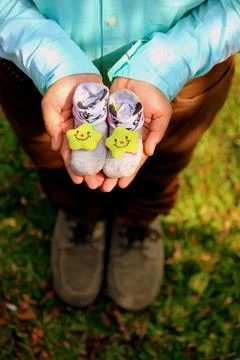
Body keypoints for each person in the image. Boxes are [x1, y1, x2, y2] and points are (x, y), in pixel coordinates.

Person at [0, 0, 239, 311]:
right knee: (56, 158)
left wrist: (169, 63)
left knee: (163, 159)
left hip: (188, 69)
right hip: (31, 69)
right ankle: (79, 215)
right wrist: (51, 59)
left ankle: (138, 220)